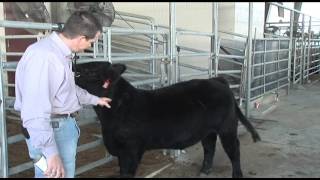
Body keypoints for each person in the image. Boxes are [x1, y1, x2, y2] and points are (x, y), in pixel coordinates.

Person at [14, 11, 112, 178]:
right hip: (52, 129)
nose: (90, 46)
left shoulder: (58, 54)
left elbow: (67, 89)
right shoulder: (46, 57)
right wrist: (51, 153)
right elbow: (35, 112)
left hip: (58, 127)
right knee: (57, 174)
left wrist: (95, 99)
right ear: (81, 38)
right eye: (92, 42)